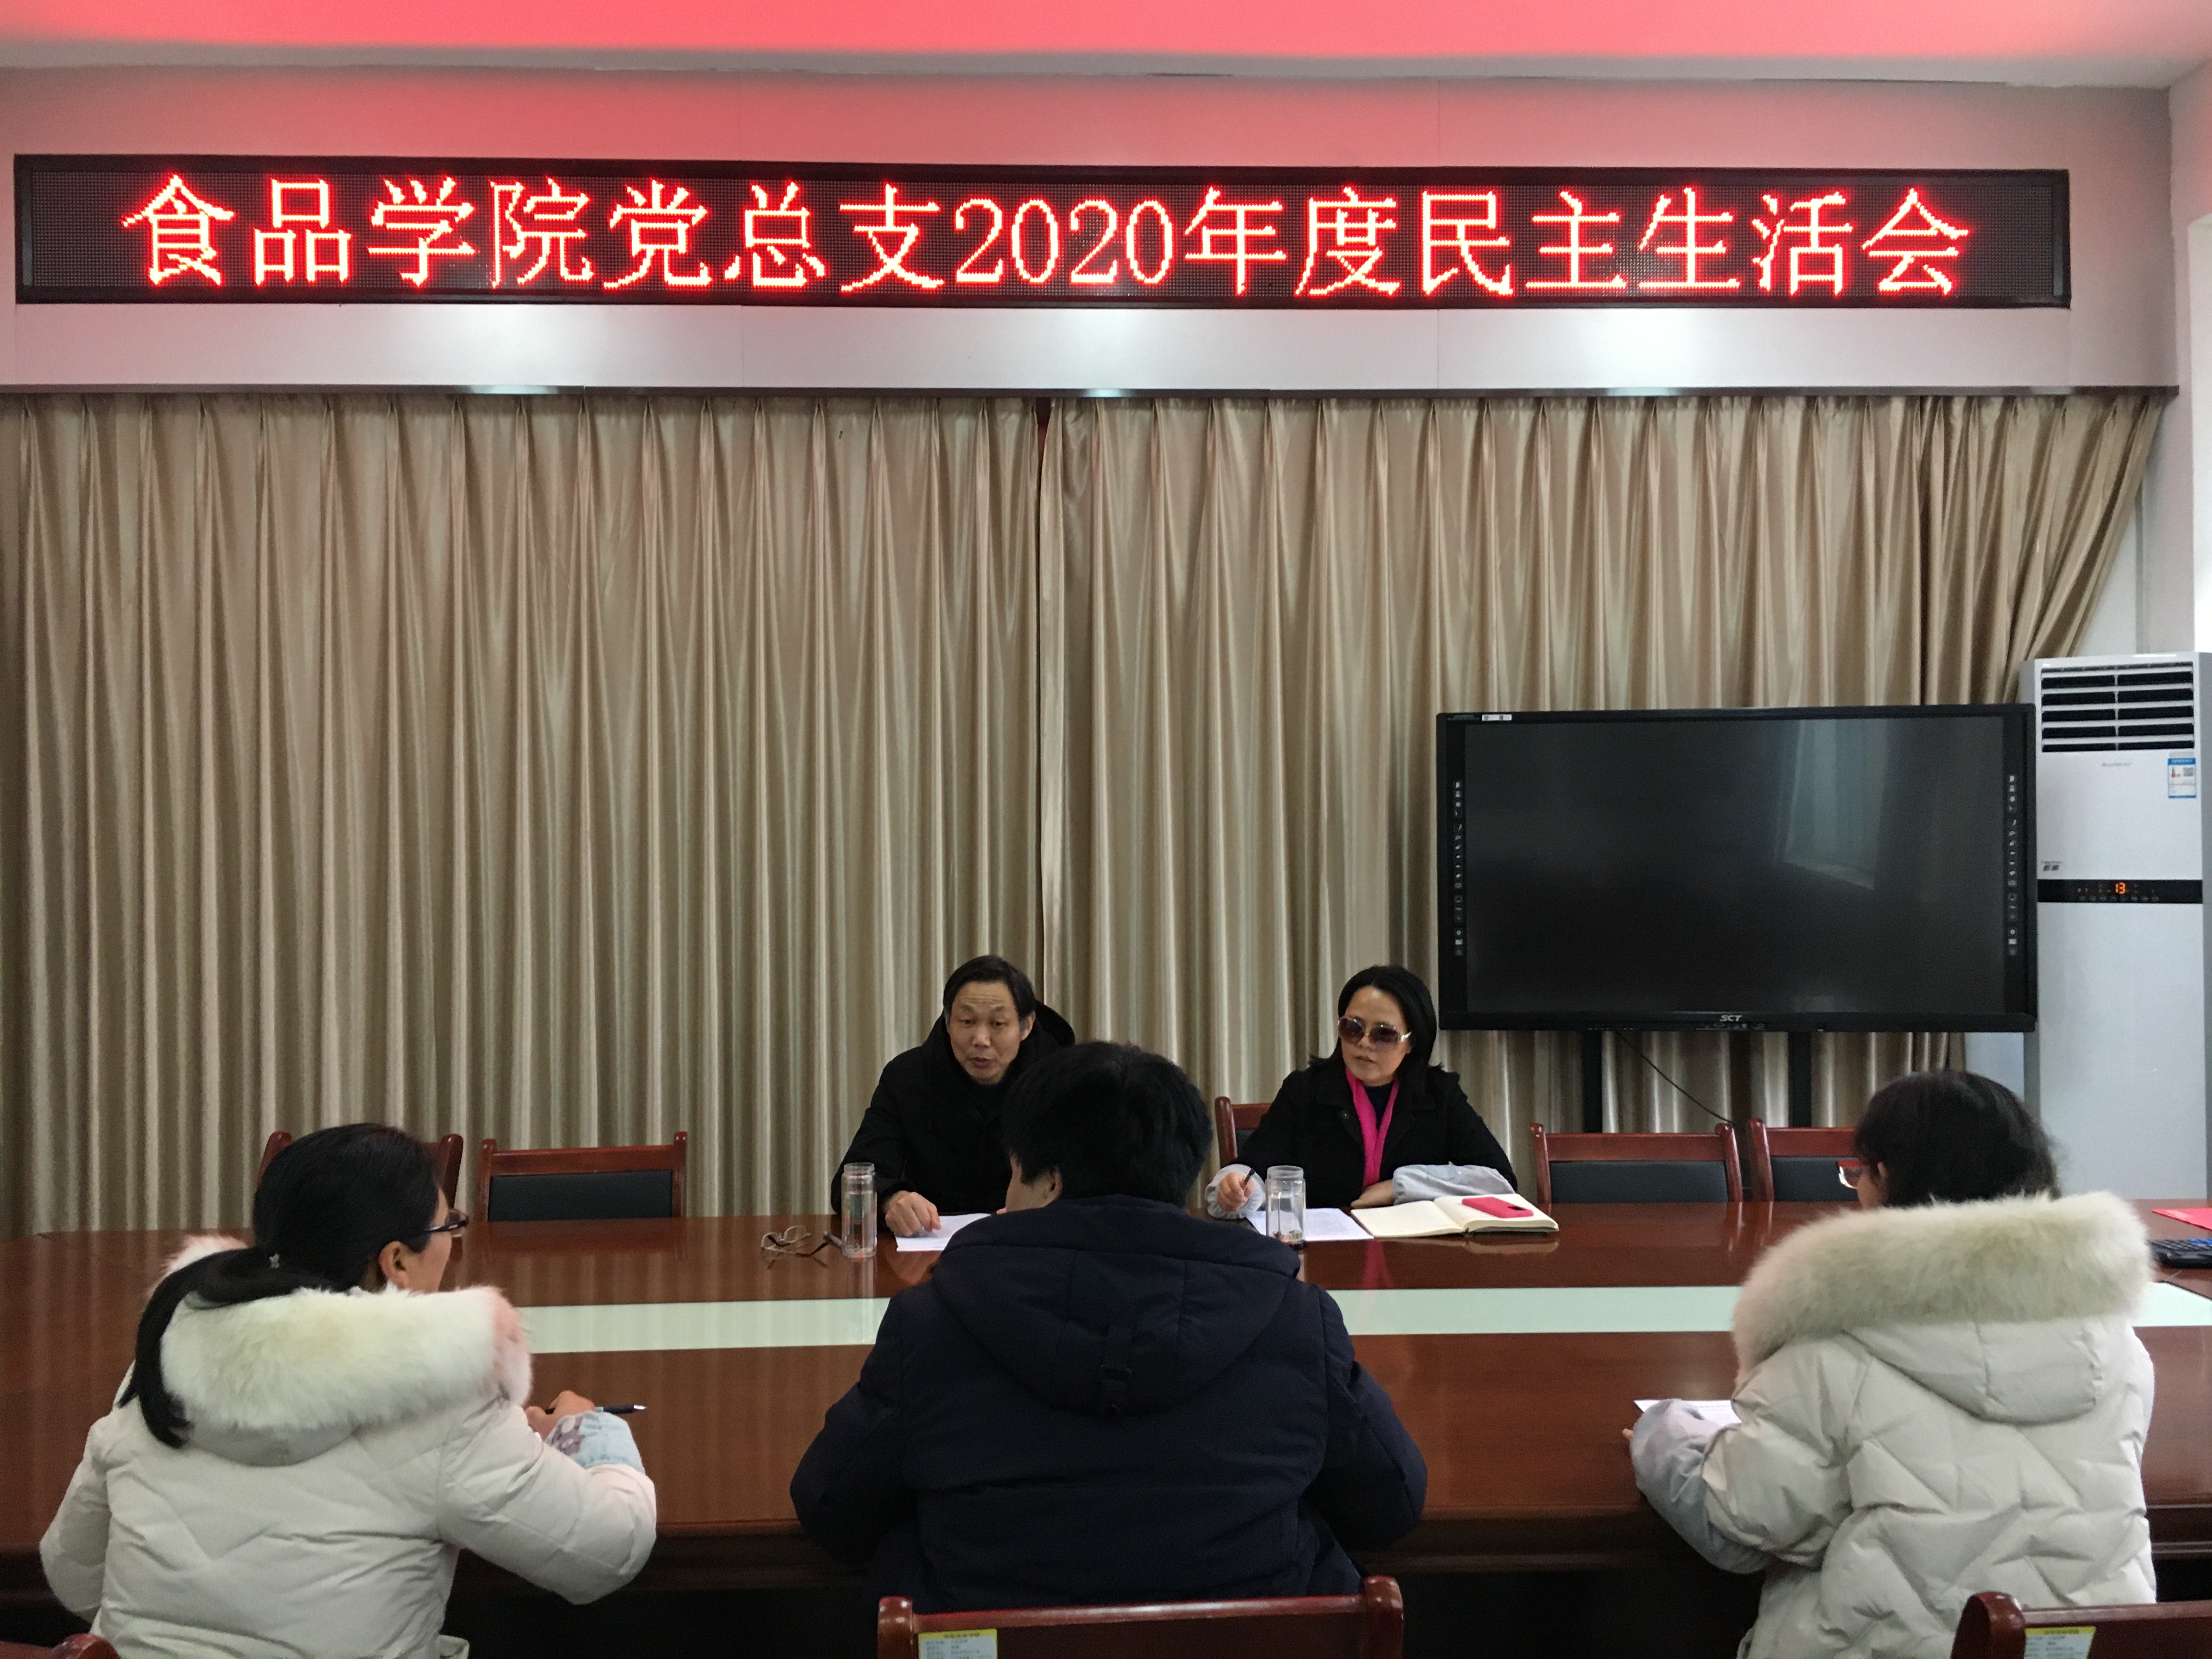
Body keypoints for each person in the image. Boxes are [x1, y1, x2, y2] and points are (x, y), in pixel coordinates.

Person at [791, 1041, 1428, 1611]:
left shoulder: (933, 1324)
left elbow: (832, 1508)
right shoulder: (1294, 1319)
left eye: (1013, 1169)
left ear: (1049, 1180)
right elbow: (1392, 1501)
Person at [41, 1124, 657, 1659]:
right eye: (449, 1225)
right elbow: (607, 1552)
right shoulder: (438, 1397)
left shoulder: (168, 1356)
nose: (453, 1241)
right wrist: (589, 1433)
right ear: (396, 1261)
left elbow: (73, 1574)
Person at [1631, 1070, 2153, 1659]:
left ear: (1884, 1176)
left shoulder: (1832, 1344)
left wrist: (1662, 1433)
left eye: (1858, 1173)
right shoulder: (2119, 1345)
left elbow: (1741, 1527)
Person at [1209, 964, 1514, 1217]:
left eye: (1384, 1034)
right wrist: (1235, 1188)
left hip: (1416, 1252)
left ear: (1412, 1042)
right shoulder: (1306, 1090)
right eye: (1353, 1028)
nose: (1364, 1043)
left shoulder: (1439, 1095)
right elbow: (1253, 1169)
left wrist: (1401, 1186)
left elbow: (1499, 1180)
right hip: (1324, 1251)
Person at [834, 954, 1074, 1237]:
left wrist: (1048, 1207)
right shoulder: (908, 1078)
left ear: (1026, 1026)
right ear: (948, 1022)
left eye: (998, 1024)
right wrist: (891, 1199)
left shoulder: (1060, 1081)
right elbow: (850, 1185)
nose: (981, 1039)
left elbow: (1093, 1182)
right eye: (967, 1021)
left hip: (1030, 1241)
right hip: (931, 1244)